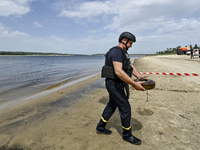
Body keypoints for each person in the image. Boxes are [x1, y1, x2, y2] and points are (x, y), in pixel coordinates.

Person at [96, 32, 147, 145]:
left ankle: (100, 127)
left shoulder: (122, 53)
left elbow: (129, 65)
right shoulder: (116, 52)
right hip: (113, 84)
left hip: (117, 84)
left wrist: (138, 76)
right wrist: (134, 84)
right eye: (130, 43)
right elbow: (118, 71)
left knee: (112, 105)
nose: (131, 46)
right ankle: (127, 135)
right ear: (124, 40)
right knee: (125, 108)